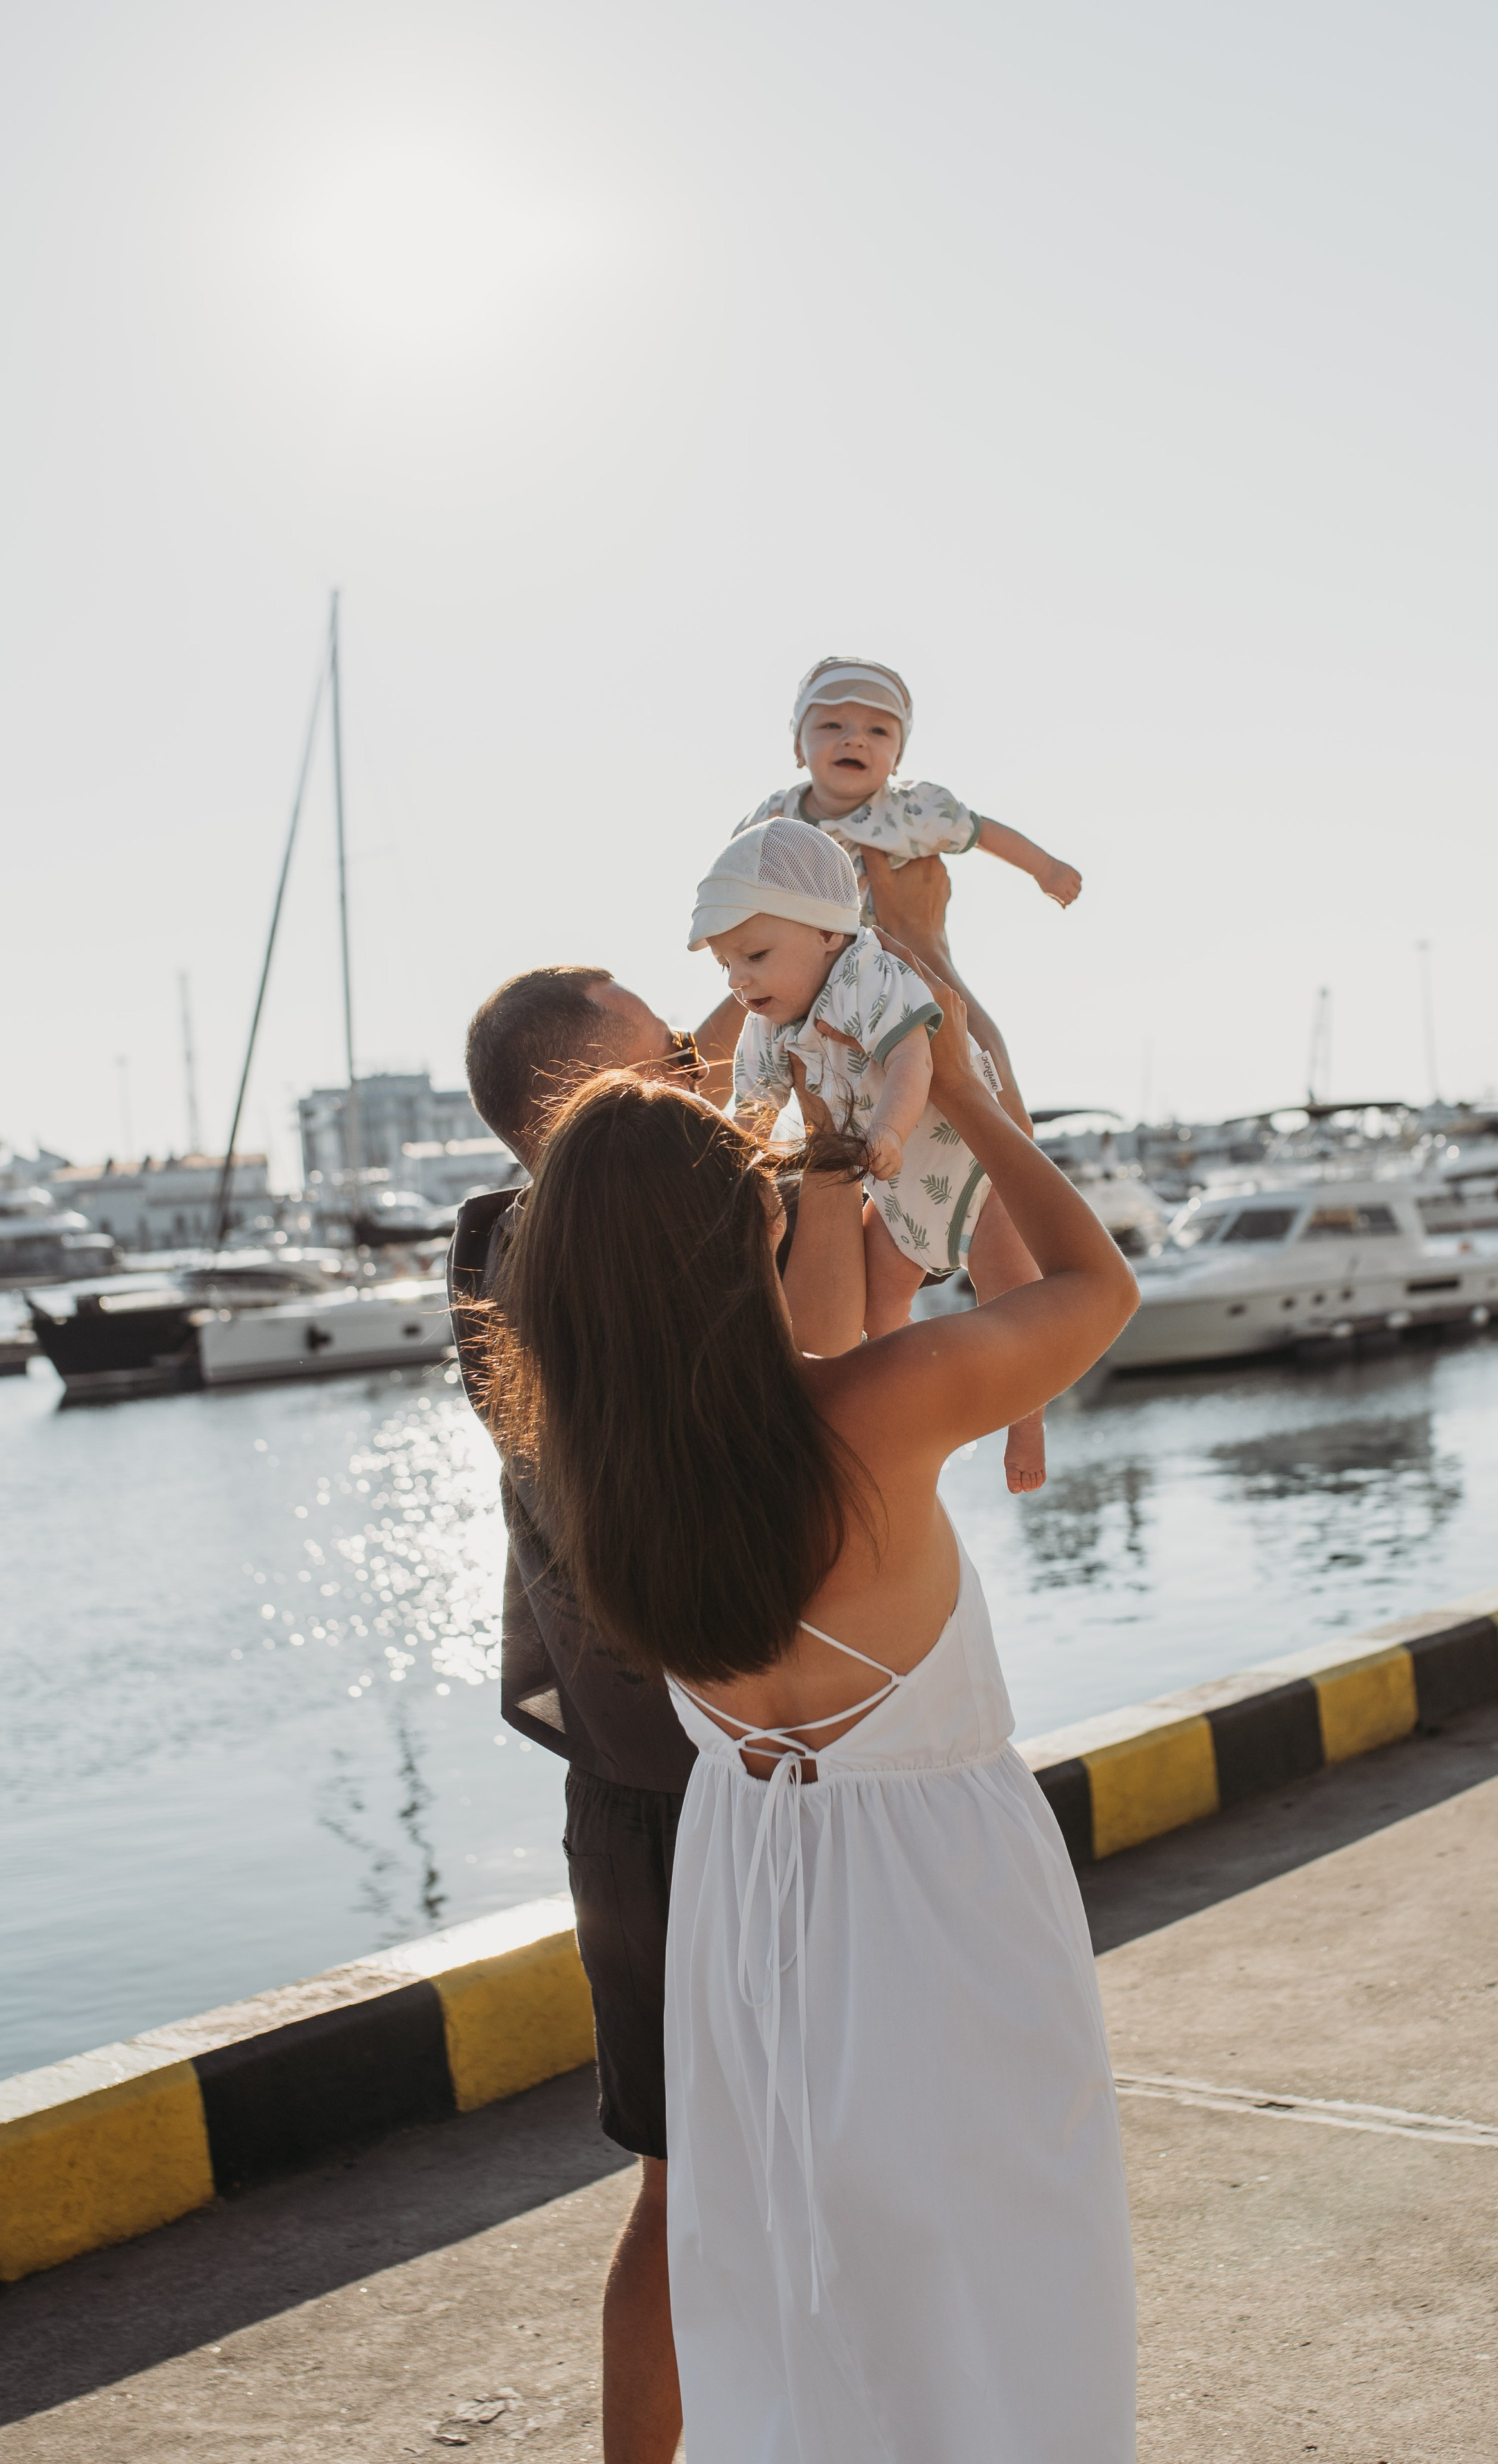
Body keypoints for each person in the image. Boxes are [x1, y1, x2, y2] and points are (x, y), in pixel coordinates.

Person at [483, 973, 1141, 2463]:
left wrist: (799, 1149)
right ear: (751, 1229)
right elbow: (1095, 1290)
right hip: (934, 1897)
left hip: (745, 1887)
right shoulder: (875, 1408)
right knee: (996, 2273)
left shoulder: (596, 1473)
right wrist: (962, 1090)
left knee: (794, 2276)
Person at [450, 962, 867, 2464]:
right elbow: (821, 1367)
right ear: (590, 1106)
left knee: (702, 2183)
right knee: (731, 2184)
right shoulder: (595, 1268)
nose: (700, 1071)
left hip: (637, 1800)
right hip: (709, 1797)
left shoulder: (503, 1256)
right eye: (671, 1059)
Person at [691, 816, 1051, 1490]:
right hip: (898, 1195)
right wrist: (735, 1170)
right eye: (726, 965)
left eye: (755, 956)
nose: (739, 979)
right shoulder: (766, 1023)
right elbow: (753, 1113)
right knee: (878, 1307)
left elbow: (914, 1058)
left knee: (1011, 1297)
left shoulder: (869, 973)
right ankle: (909, 1413)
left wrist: (885, 1131)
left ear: (828, 932)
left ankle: (1025, 1419)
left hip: (969, 1167)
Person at [738, 654, 1083, 1131]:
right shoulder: (776, 817)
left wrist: (1044, 867)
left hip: (890, 965)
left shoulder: (909, 810)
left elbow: (980, 831)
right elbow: (733, 875)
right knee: (771, 1056)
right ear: (799, 746)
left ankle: (1003, 1128)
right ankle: (751, 1135)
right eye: (832, 723)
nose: (854, 738)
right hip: (808, 975)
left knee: (947, 1046)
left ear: (898, 756)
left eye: (878, 731)